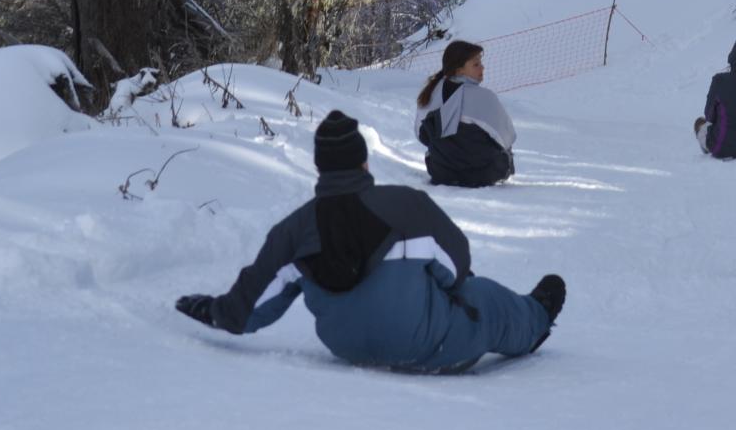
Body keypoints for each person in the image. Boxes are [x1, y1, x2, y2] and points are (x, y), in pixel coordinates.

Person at [173, 111, 565, 373]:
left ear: (320, 167)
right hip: (430, 345)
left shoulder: (294, 229)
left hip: (348, 348)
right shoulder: (406, 205)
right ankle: (537, 317)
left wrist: (214, 310)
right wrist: (447, 288)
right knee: (484, 297)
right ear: (363, 162)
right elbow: (457, 264)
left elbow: (252, 305)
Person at [415, 41, 516, 188]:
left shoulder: (431, 93)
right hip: (484, 174)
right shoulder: (484, 97)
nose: (482, 67)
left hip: (440, 172)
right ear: (459, 70)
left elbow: (422, 135)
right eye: (476, 64)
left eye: (480, 63)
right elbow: (507, 138)